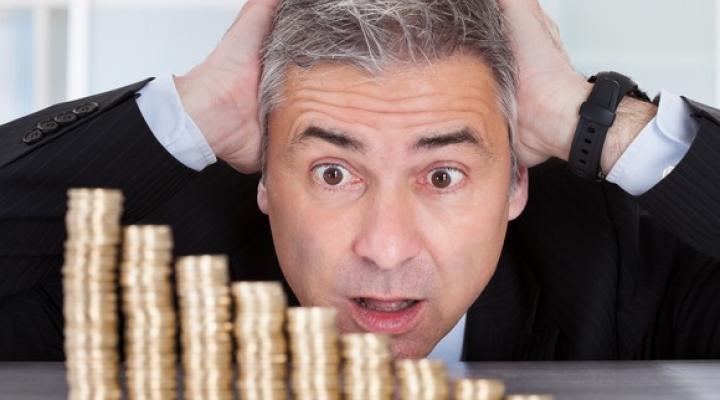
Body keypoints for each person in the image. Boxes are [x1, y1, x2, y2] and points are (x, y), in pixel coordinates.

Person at [0, 0, 718, 361]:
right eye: (334, 172)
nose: (384, 248)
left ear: (516, 186)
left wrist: (597, 121)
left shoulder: (622, 265)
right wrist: (194, 113)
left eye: (442, 174)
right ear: (263, 183)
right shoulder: (149, 264)